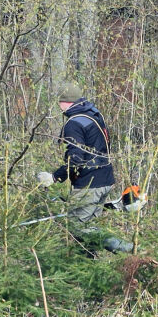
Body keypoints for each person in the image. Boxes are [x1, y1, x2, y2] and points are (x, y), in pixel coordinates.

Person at [36, 82, 133, 253]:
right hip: (105, 179)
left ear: (64, 102)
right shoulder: (93, 115)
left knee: (78, 229)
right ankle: (88, 271)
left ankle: (129, 250)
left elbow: (76, 159)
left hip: (89, 184)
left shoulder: (74, 123)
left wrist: (53, 177)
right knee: (88, 232)